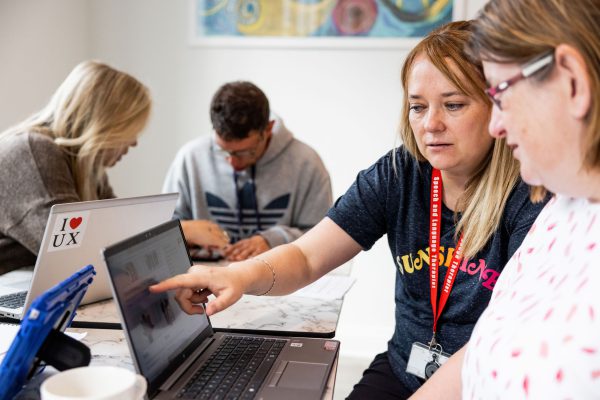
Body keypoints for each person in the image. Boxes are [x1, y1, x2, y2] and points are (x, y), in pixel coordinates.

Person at [150, 21, 548, 398]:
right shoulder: (398, 173)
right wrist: (237, 276)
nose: (431, 124)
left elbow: (505, 339)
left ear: (498, 107)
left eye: (454, 104)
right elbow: (306, 257)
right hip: (405, 367)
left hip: (487, 382)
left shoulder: (531, 195)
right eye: (418, 106)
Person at [410, 0, 600, 399]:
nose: (496, 125)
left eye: (500, 94)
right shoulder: (564, 205)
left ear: (572, 82)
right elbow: (482, 351)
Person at [0, 61, 151, 274]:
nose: (134, 142)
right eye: (130, 129)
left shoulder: (88, 167)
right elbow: (71, 256)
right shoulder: (33, 152)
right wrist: (180, 230)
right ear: (105, 124)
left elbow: (119, 234)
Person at [162, 81, 332, 261]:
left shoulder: (307, 163)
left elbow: (323, 237)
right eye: (224, 151)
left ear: (268, 129)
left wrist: (272, 240)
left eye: (245, 152)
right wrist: (189, 231)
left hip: (280, 279)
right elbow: (162, 232)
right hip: (206, 277)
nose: (233, 163)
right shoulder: (190, 158)